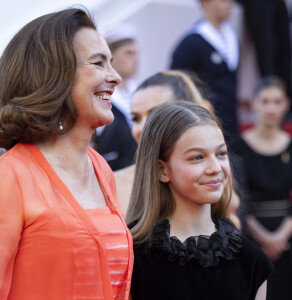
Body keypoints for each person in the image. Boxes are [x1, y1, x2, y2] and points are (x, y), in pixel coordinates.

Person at [0, 8, 133, 300]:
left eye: (111, 63)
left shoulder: (100, 169)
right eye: (99, 63)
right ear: (53, 74)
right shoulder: (10, 175)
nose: (115, 77)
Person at [126, 101, 273, 300]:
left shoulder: (252, 260)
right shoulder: (132, 257)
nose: (215, 168)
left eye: (221, 154)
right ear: (163, 170)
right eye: (197, 157)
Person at [230, 76, 292, 300]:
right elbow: (236, 198)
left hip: (290, 237)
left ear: (287, 104)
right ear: (254, 103)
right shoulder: (238, 147)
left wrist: (280, 236)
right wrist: (262, 236)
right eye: (266, 101)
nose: (271, 108)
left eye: (277, 101)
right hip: (249, 233)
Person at [114, 70, 206, 214]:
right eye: (135, 118)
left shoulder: (210, 175)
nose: (143, 127)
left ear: (189, 115)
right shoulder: (113, 184)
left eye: (155, 114)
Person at [170, 0, 239, 142]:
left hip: (231, 120)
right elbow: (177, 82)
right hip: (206, 122)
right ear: (205, 3)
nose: (229, 3)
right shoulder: (192, 41)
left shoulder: (231, 38)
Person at [93, 23, 138, 170]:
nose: (136, 59)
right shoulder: (102, 97)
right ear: (111, 57)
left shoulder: (140, 91)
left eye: (137, 53)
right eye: (128, 53)